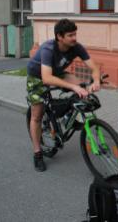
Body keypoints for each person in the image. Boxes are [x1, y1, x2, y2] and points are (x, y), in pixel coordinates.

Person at [27, 18, 100, 172]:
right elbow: (46, 78)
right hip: (37, 77)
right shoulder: (49, 48)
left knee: (81, 88)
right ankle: (37, 153)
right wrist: (73, 87)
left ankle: (68, 117)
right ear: (59, 37)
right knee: (37, 116)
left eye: (75, 34)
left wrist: (96, 81)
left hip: (58, 73)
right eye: (70, 35)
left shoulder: (76, 47)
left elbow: (94, 67)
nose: (74, 38)